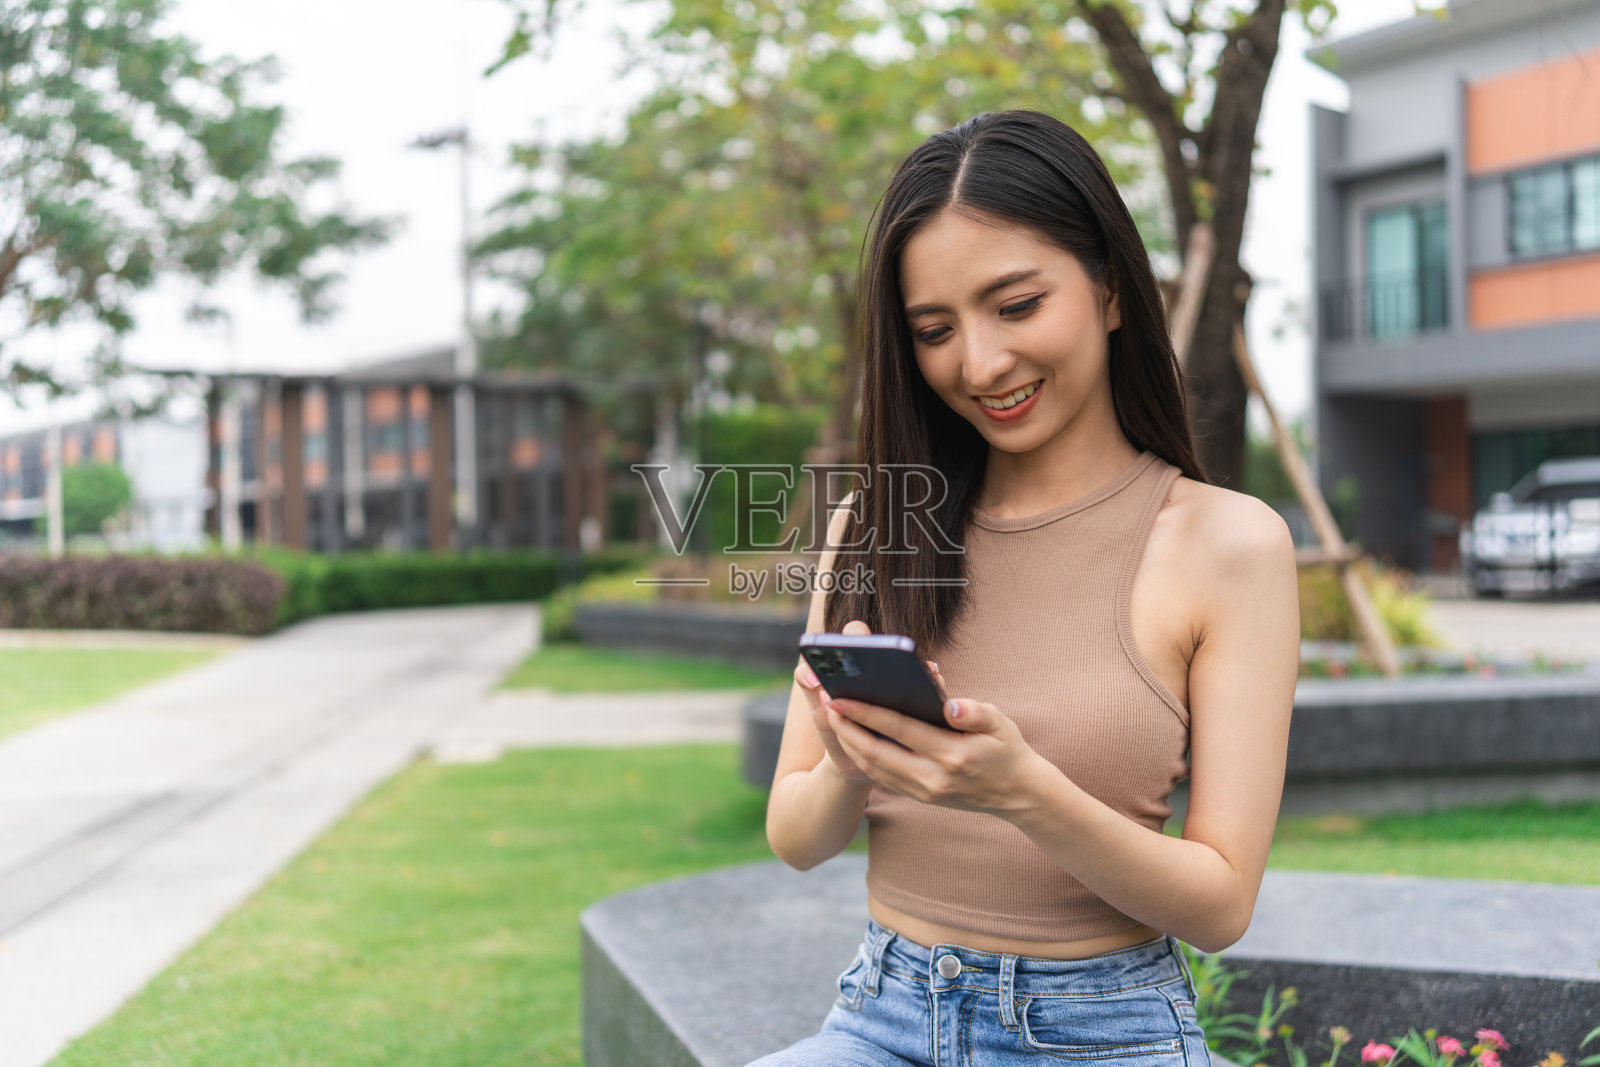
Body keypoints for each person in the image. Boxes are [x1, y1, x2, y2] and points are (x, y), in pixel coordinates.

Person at [749, 109, 1300, 1066]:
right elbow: (795, 837)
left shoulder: (1229, 543)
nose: (980, 364)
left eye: (1016, 305)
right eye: (934, 329)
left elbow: (1221, 905)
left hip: (1103, 1032)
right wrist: (848, 758)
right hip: (883, 1015)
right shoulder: (875, 529)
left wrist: (1022, 792)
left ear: (1111, 290)